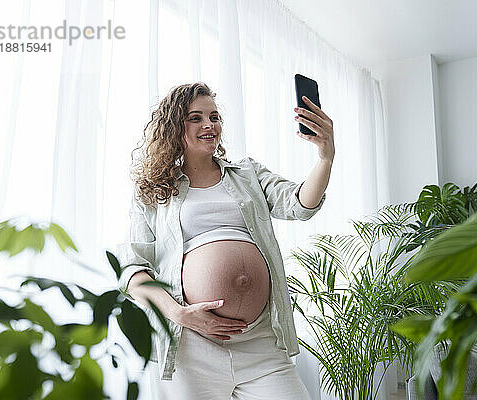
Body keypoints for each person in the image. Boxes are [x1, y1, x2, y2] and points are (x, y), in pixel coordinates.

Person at [116, 82, 334, 399]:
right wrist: (178, 313)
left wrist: (325, 157)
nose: (209, 125)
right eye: (196, 117)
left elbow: (300, 204)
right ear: (175, 127)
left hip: (259, 342)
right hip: (191, 345)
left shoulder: (247, 174)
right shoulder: (154, 190)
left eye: (214, 117)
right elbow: (133, 271)